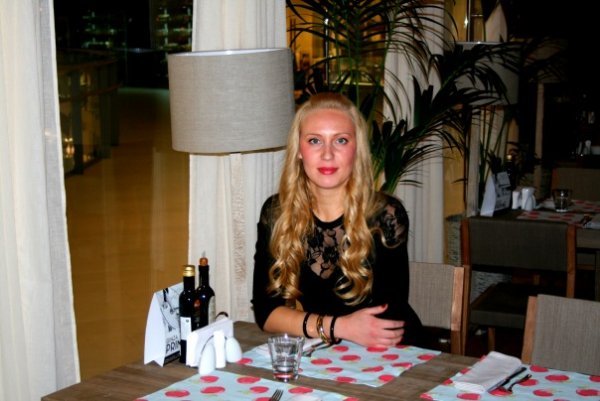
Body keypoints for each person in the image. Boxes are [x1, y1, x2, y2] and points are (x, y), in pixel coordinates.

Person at [252, 92, 423, 348]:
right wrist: (338, 327)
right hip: (322, 351)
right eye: (314, 140)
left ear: (357, 150)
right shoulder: (277, 213)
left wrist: (315, 326)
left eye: (341, 140)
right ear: (299, 150)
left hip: (389, 351)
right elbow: (266, 313)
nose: (327, 154)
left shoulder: (385, 214)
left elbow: (386, 318)